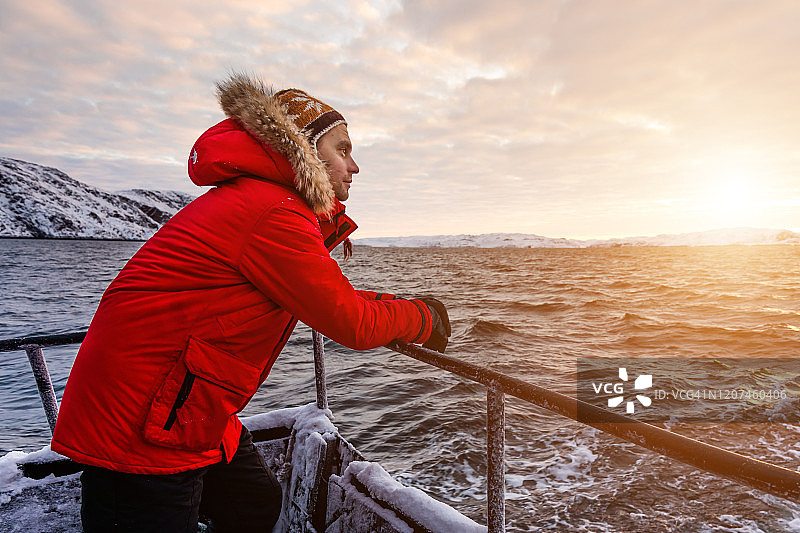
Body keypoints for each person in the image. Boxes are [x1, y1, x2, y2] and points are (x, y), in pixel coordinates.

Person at [51, 73, 451, 532]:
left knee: (255, 507)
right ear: (303, 150)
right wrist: (422, 318)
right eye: (342, 150)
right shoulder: (272, 212)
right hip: (143, 422)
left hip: (188, 406)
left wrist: (402, 305)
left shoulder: (266, 203)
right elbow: (350, 320)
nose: (354, 166)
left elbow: (325, 294)